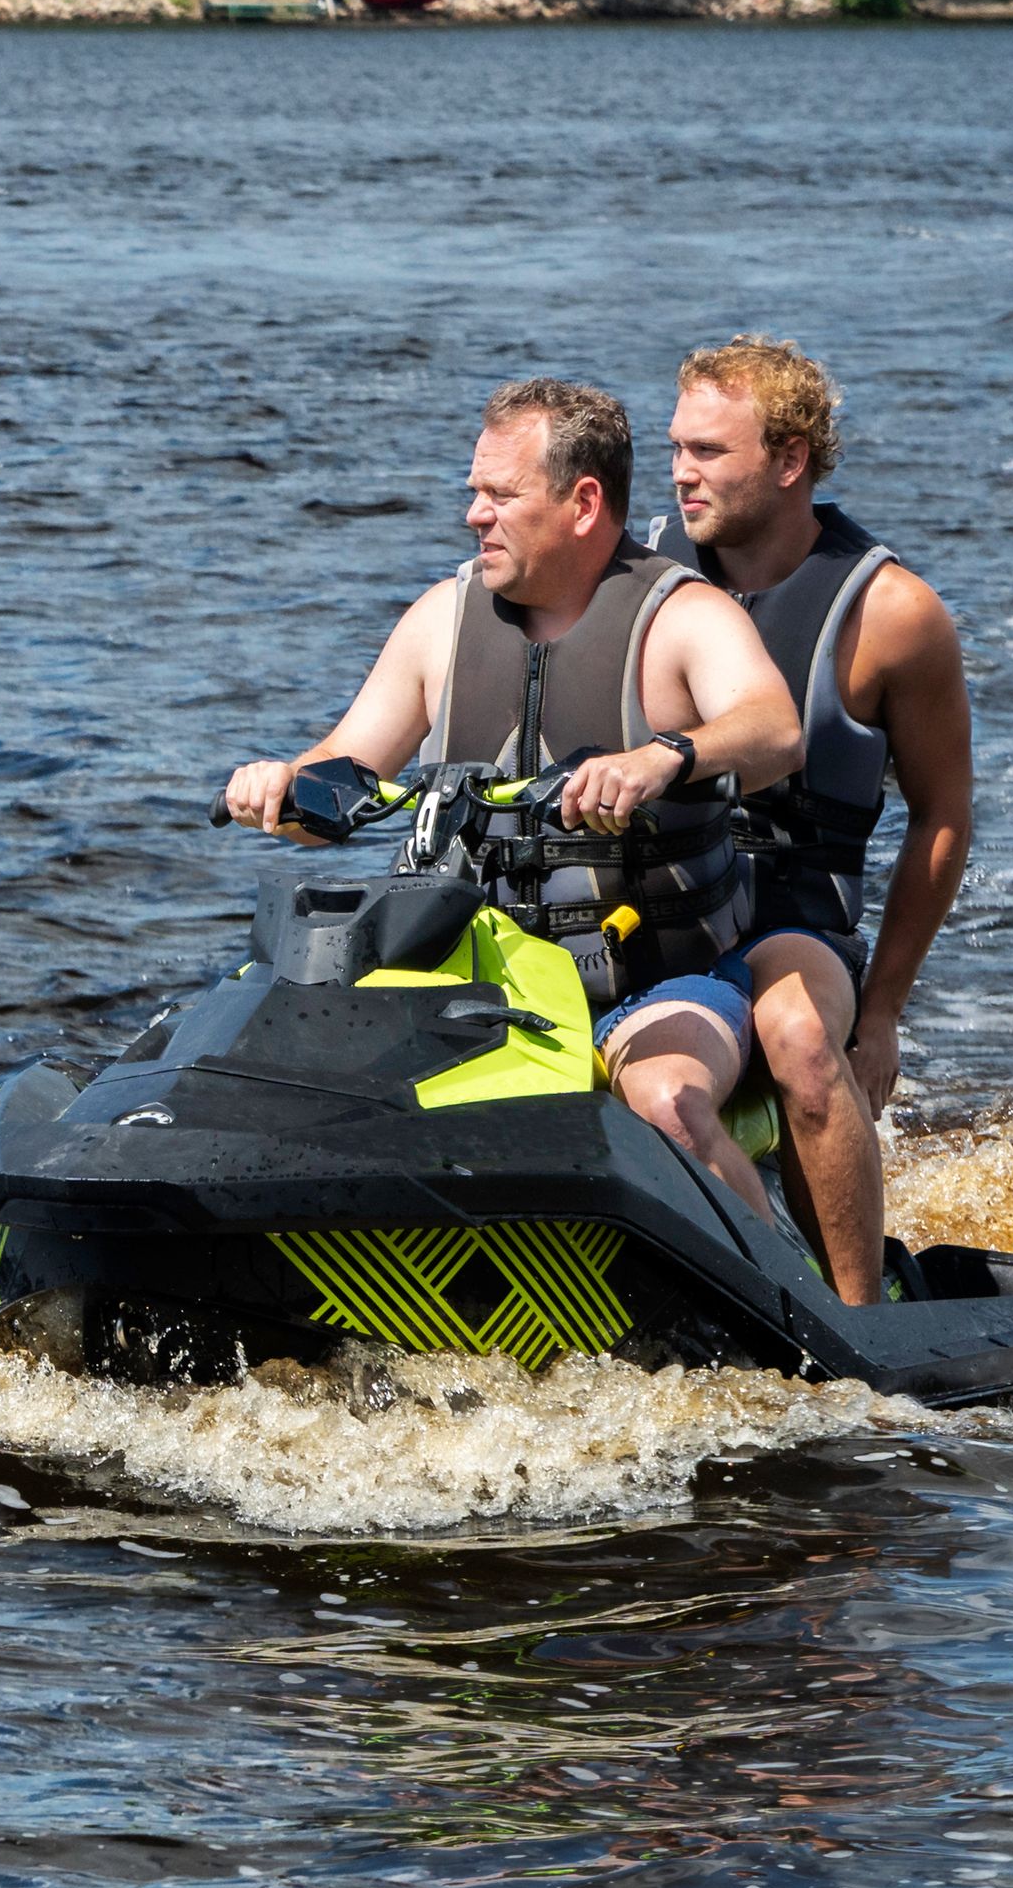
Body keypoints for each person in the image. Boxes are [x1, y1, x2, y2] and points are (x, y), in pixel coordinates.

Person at [217, 376, 840, 1286]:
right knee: (285, 1071)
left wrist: (664, 756)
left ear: (582, 502)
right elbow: (344, 774)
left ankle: (792, 1311)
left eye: (499, 496)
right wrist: (280, 788)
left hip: (652, 987)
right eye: (474, 492)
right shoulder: (442, 619)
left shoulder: (680, 615)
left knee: (665, 1101)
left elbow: (774, 729)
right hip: (469, 986)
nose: (473, 516)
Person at [664, 334, 969, 1293]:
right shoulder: (639, 577)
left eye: (708, 453)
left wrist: (879, 1015)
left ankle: (854, 1317)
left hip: (791, 916)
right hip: (656, 892)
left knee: (799, 1040)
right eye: (675, 449)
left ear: (789, 460)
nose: (680, 475)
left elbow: (942, 817)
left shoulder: (893, 614)